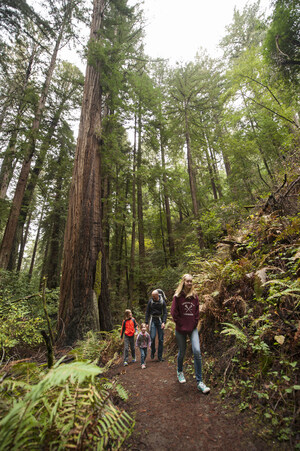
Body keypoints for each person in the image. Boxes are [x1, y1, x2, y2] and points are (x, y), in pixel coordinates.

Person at [171, 274, 210, 394]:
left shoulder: (195, 296)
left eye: (191, 281)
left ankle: (200, 382)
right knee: (182, 351)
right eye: (187, 281)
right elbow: (174, 313)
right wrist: (181, 324)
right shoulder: (177, 297)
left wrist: (194, 323)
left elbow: (197, 312)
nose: (189, 283)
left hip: (192, 328)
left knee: (197, 351)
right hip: (180, 329)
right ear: (183, 282)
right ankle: (180, 371)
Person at [145, 289, 167, 361]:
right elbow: (147, 312)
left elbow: (165, 313)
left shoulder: (162, 302)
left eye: (154, 296)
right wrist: (146, 323)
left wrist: (164, 322)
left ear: (158, 295)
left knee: (161, 339)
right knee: (152, 337)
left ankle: (160, 356)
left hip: (160, 320)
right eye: (152, 296)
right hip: (153, 320)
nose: (153, 298)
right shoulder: (150, 302)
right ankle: (153, 351)